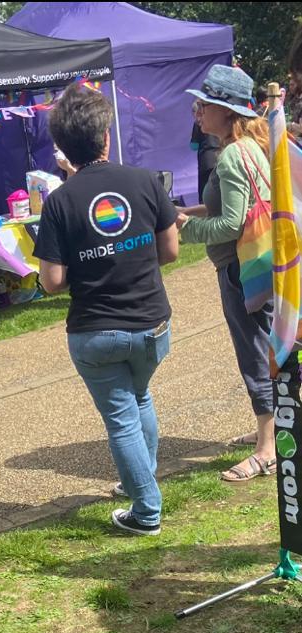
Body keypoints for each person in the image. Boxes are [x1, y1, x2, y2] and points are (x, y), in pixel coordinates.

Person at [34, 83, 179, 537]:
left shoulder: (60, 201)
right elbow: (170, 251)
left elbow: (52, 281)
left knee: (121, 417)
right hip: (152, 323)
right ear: (106, 136)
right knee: (139, 397)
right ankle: (141, 479)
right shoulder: (145, 181)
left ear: (64, 148)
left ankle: (146, 510)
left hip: (96, 331)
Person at [177, 65, 275, 483]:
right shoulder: (251, 147)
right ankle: (274, 429)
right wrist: (189, 211)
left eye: (204, 104)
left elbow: (231, 224)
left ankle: (267, 449)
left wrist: (186, 229)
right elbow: (237, 206)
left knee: (254, 353)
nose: (197, 112)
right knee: (269, 347)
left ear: (227, 111)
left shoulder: (231, 155)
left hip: (240, 269)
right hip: (261, 263)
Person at [189, 99, 220, 202]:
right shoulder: (216, 121)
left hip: (206, 160)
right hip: (219, 157)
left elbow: (194, 146)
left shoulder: (198, 123)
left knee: (204, 189)